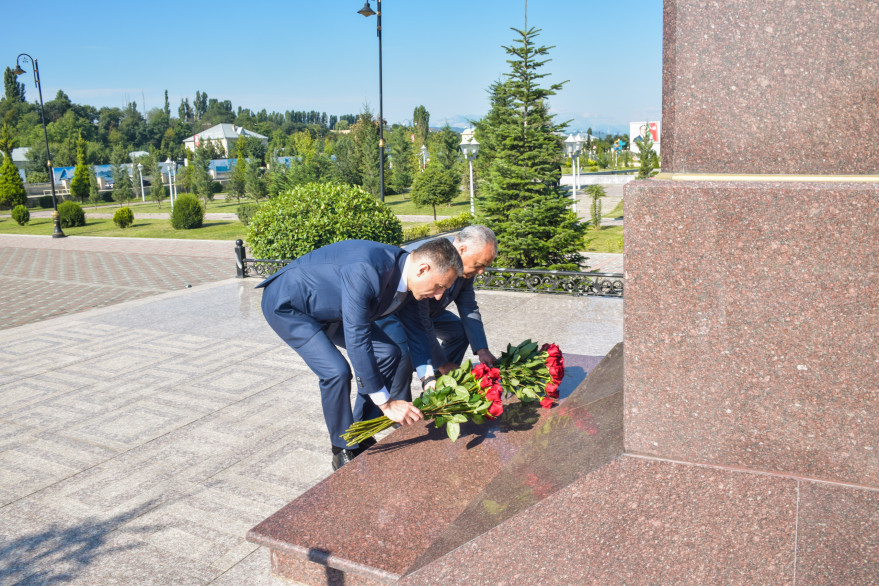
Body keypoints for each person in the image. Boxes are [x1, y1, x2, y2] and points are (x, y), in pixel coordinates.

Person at [257, 238, 463, 470]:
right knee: (336, 371)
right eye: (439, 286)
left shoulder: (411, 281)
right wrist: (387, 404)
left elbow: (417, 332)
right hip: (291, 305)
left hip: (333, 308)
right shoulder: (367, 270)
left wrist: (429, 379)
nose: (439, 296)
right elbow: (358, 339)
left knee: (389, 352)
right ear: (423, 269)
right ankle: (342, 447)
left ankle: (360, 430)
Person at [382, 225, 498, 397]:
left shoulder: (466, 267)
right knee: (402, 354)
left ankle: (437, 384)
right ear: (462, 249)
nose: (481, 272)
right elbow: (420, 321)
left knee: (459, 331)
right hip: (398, 313)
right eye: (479, 265)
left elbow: (468, 306)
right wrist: (442, 362)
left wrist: (482, 349)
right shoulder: (431, 256)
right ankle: (402, 410)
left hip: (430, 312)